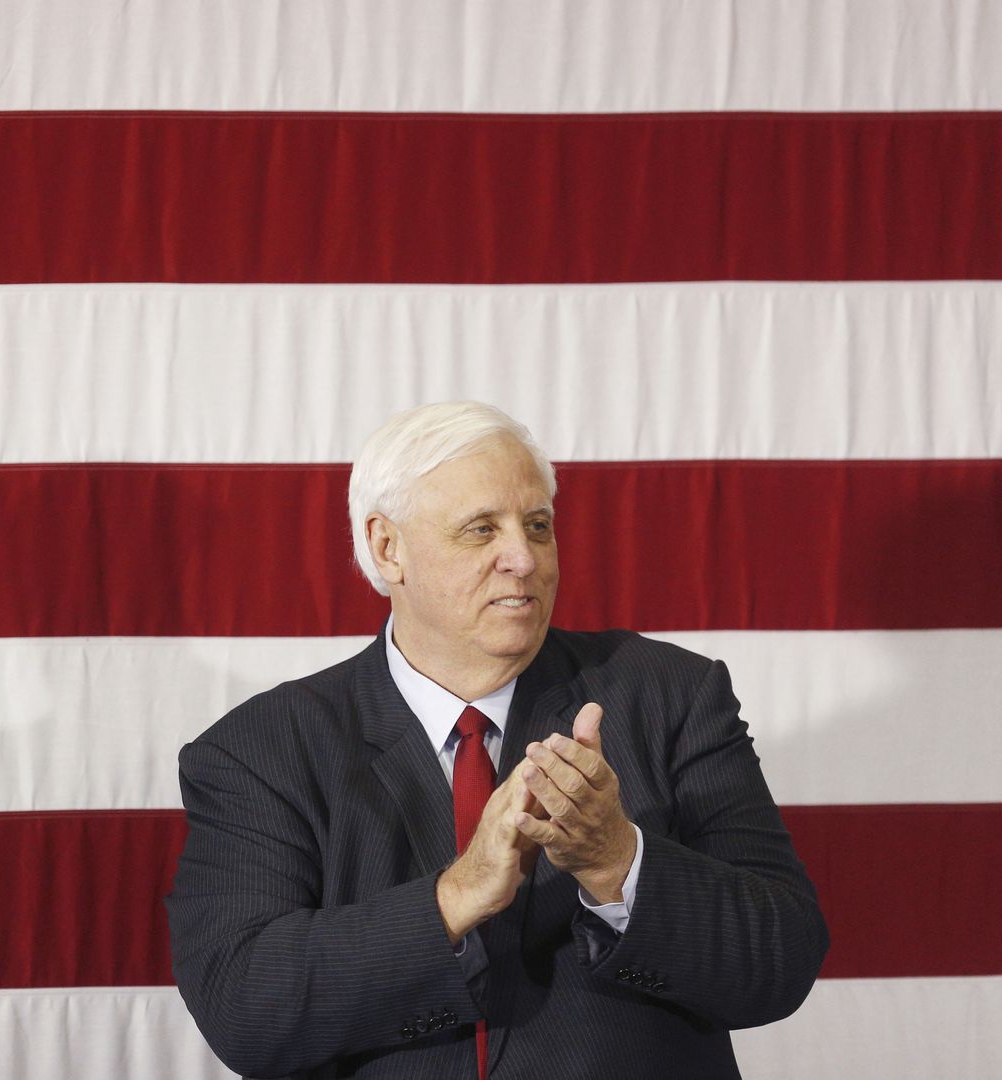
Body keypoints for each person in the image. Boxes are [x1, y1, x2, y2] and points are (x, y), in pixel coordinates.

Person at [166, 401, 827, 1079]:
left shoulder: (671, 696)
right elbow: (244, 1009)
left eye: (537, 526)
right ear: (389, 548)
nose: (524, 558)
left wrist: (617, 863)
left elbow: (781, 962)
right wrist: (457, 895)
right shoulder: (261, 750)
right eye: (481, 530)